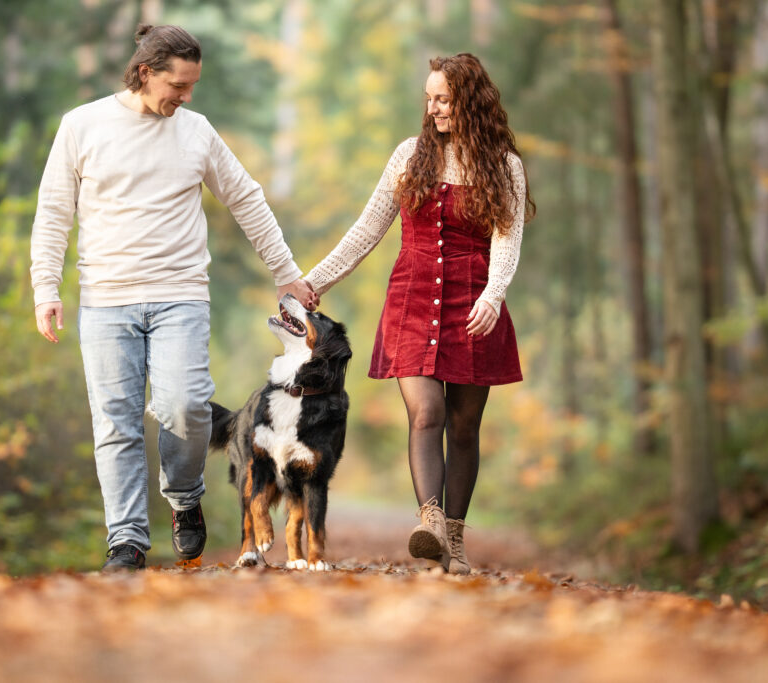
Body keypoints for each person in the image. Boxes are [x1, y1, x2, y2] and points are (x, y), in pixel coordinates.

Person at [30, 24, 316, 572]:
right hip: (106, 300)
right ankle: (127, 541)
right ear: (145, 73)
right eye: (179, 86)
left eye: (192, 86)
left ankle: (184, 496)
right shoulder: (82, 126)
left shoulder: (196, 132)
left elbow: (246, 198)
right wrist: (46, 287)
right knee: (115, 422)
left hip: (179, 295)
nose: (186, 97)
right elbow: (53, 214)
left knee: (185, 406)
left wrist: (285, 272)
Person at [304, 53, 535, 575]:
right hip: (410, 299)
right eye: (428, 99)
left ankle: (453, 538)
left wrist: (493, 293)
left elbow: (507, 238)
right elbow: (367, 230)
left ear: (470, 101)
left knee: (465, 424)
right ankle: (429, 520)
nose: (432, 110)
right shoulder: (409, 156)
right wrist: (313, 281)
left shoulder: (504, 166)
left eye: (443, 99)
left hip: (474, 302)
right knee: (426, 412)